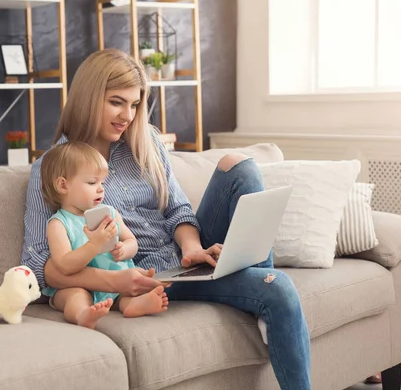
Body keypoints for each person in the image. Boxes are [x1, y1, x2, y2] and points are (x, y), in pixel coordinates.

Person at [21, 48, 312, 390]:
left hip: (181, 260)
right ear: (88, 98)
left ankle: (257, 289)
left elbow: (178, 211)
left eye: (134, 104)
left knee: (239, 165)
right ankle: (264, 296)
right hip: (148, 278)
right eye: (117, 102)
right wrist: (114, 282)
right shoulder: (53, 167)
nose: (127, 115)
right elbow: (39, 264)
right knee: (277, 287)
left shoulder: (146, 142)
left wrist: (191, 249)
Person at [38, 141, 168, 329]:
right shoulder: (59, 224)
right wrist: (94, 245)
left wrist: (125, 250)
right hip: (78, 286)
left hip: (116, 285)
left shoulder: (110, 213)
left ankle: (133, 305)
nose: (101, 188)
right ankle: (83, 315)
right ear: (63, 185)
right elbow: (65, 266)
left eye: (102, 182)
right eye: (92, 182)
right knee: (74, 295)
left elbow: (132, 241)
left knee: (128, 292)